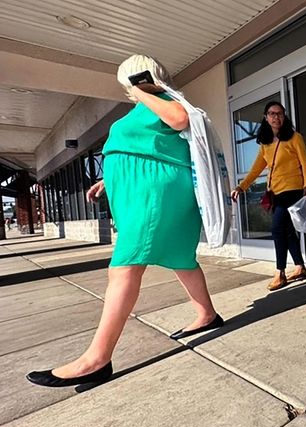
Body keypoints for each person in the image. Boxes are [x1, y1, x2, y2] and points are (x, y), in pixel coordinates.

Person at [26, 55, 223, 388]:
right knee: (180, 258)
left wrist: (145, 89)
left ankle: (96, 359)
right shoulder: (143, 109)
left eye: (129, 81)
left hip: (156, 193)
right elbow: (140, 147)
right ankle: (207, 314)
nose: (128, 88)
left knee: (125, 265)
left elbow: (179, 120)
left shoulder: (162, 99)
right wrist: (108, 179)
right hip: (143, 191)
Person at [230, 102, 306, 291]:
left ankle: (280, 272)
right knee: (288, 231)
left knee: (277, 229)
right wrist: (241, 186)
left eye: (280, 114)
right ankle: (300, 267)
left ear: (284, 117)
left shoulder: (294, 138)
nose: (276, 117)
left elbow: (305, 163)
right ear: (266, 117)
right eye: (272, 114)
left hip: (292, 190)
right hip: (275, 192)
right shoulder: (265, 144)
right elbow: (256, 169)